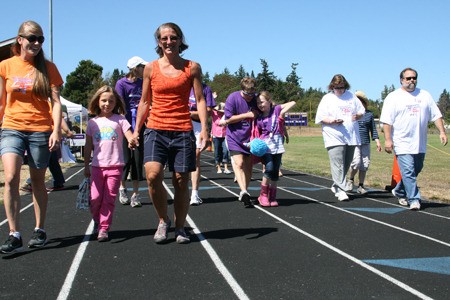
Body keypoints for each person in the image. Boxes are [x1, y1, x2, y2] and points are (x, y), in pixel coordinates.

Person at [132, 22, 209, 244]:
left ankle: (180, 226)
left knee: (181, 180)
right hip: (155, 128)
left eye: (173, 37)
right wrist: (137, 129)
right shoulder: (151, 68)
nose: (169, 42)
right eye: (164, 38)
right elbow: (145, 101)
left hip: (182, 129)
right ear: (158, 42)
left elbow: (201, 99)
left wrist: (204, 128)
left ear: (179, 40)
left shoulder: (192, 67)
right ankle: (163, 220)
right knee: (153, 175)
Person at [0, 20, 63, 253]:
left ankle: (39, 229)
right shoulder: (5, 66)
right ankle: (14, 233)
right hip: (12, 127)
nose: (36, 43)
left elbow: (56, 103)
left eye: (40, 39)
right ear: (20, 39)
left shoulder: (48, 68)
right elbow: (2, 102)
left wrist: (56, 130)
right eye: (31, 38)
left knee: (37, 180)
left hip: (40, 129)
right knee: (11, 178)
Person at [380, 67, 447, 210]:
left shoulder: (425, 95)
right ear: (401, 80)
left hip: (420, 142)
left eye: (414, 78)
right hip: (401, 141)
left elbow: (436, 115)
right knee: (408, 170)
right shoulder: (393, 97)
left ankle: (399, 190)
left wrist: (442, 132)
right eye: (408, 78)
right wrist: (388, 140)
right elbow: (387, 121)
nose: (412, 80)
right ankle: (414, 199)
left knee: (416, 168)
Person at [84, 85, 134, 242]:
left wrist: (132, 139)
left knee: (109, 199)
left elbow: (129, 134)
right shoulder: (93, 123)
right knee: (95, 198)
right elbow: (88, 146)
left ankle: (104, 228)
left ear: (116, 103)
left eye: (111, 101)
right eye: (104, 100)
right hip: (97, 166)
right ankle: (98, 220)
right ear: (97, 101)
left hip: (115, 166)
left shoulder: (120, 120)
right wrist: (86, 165)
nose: (107, 104)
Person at [315, 74, 365, 201]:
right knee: (337, 162)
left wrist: (358, 116)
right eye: (336, 88)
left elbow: (361, 110)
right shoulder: (327, 98)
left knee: (346, 163)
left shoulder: (351, 97)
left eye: (342, 87)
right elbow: (321, 117)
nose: (339, 90)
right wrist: (332, 121)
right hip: (333, 135)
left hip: (351, 135)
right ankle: (341, 189)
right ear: (332, 87)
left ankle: (337, 184)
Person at [219, 77, 260, 208]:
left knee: (248, 167)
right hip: (234, 137)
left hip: (250, 138)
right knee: (239, 163)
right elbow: (228, 118)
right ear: (242, 90)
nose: (250, 97)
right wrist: (247, 115)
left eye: (252, 94)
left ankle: (244, 191)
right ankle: (244, 191)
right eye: (247, 94)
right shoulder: (233, 98)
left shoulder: (255, 98)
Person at [115, 56, 147, 208]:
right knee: (125, 161)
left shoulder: (143, 83)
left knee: (137, 161)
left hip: (140, 126)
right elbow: (120, 107)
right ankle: (122, 189)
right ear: (135, 68)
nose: (144, 69)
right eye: (142, 67)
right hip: (126, 127)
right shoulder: (121, 84)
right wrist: (128, 131)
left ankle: (136, 194)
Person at [254, 91, 295, 207]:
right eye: (258, 103)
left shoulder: (276, 110)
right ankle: (263, 195)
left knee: (275, 172)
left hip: (278, 145)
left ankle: (272, 196)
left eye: (262, 102)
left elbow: (293, 103)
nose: (260, 105)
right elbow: (259, 133)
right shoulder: (259, 118)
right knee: (269, 168)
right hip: (266, 147)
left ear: (269, 101)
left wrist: (282, 111)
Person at [346, 91, 382, 194]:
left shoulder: (369, 114)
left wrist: (378, 142)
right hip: (354, 141)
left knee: (365, 164)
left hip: (365, 141)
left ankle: (361, 185)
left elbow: (373, 129)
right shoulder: (351, 114)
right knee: (356, 163)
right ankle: (351, 179)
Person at [188, 82, 216, 206]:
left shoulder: (205, 89)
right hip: (180, 124)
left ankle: (194, 193)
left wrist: (190, 114)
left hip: (197, 124)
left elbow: (208, 110)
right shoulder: (181, 85)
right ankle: (182, 191)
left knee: (195, 157)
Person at [211, 101, 231, 174]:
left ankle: (226, 167)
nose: (221, 112)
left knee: (225, 151)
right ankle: (218, 167)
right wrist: (213, 99)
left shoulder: (226, 115)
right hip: (216, 136)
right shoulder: (214, 114)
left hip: (225, 135)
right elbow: (208, 108)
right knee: (217, 151)